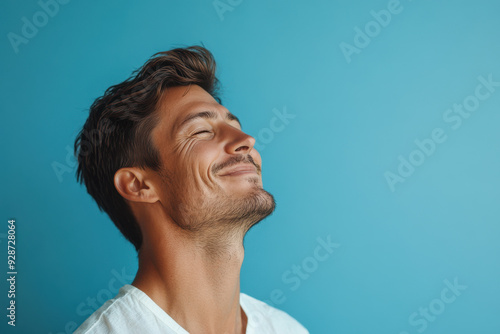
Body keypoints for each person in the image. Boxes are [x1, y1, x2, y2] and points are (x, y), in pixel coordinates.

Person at [73, 46, 309, 334]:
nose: (247, 139)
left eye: (236, 125)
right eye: (201, 131)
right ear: (139, 185)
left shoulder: (287, 329)